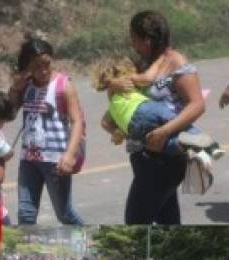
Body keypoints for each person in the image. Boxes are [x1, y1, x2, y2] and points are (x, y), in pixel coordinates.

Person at [114, 11, 209, 224]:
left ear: (147, 40)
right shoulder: (143, 63)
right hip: (143, 155)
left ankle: (204, 147)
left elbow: (197, 105)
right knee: (168, 220)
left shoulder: (176, 63)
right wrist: (116, 84)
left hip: (164, 159)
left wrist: (164, 131)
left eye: (134, 38)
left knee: (136, 220)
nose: (132, 43)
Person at [9, 37, 85, 225]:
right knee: (26, 214)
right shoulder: (26, 85)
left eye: (47, 64)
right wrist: (14, 89)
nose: (42, 71)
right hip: (29, 160)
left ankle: (89, 244)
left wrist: (69, 155)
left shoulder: (63, 85)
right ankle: (26, 250)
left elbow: (77, 122)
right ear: (26, 66)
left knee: (65, 214)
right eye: (36, 66)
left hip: (56, 161)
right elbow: (9, 113)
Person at [94, 57, 222, 159]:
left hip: (133, 128)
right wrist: (160, 60)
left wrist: (116, 132)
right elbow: (149, 79)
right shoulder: (130, 83)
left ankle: (184, 144)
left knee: (159, 144)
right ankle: (207, 143)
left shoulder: (113, 103)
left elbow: (104, 122)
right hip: (146, 109)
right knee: (177, 121)